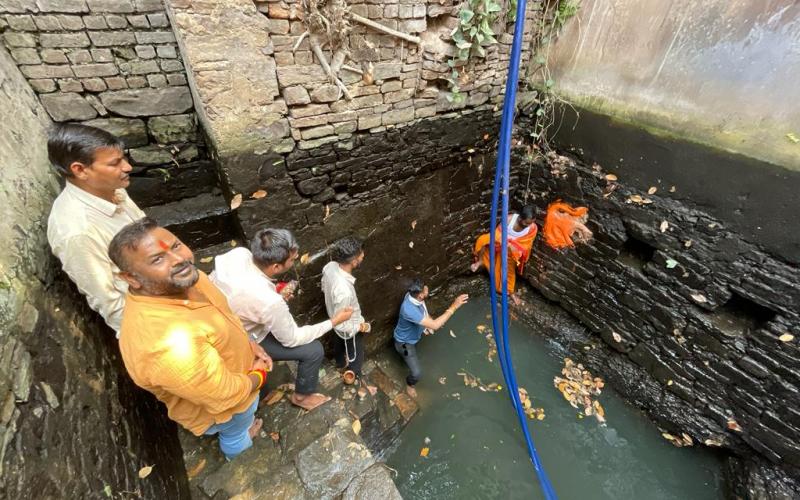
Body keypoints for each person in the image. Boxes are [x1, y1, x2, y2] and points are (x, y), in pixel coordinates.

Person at [109, 218, 272, 461]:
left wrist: (248, 343)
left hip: (240, 377)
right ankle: (239, 454)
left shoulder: (188, 280)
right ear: (131, 278)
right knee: (235, 434)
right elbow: (225, 395)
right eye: (157, 259)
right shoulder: (164, 344)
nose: (178, 259)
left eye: (175, 246)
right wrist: (259, 376)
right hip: (229, 409)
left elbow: (223, 317)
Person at [210, 228, 354, 412]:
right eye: (292, 260)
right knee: (313, 350)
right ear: (276, 267)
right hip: (241, 335)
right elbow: (292, 338)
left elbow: (242, 293)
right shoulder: (269, 303)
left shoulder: (239, 254)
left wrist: (274, 289)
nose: (295, 261)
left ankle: (261, 394)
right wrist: (334, 321)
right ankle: (301, 397)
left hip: (221, 318)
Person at [46, 123, 145, 335]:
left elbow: (146, 231)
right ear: (80, 170)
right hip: (150, 314)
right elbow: (113, 306)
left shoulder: (111, 189)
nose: (127, 167)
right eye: (115, 163)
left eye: (123, 158)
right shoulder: (77, 233)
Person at [321, 236, 377, 395]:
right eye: (360, 255)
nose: (363, 256)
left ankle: (340, 363)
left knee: (338, 341)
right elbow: (342, 324)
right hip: (348, 328)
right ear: (353, 261)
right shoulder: (344, 291)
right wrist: (361, 326)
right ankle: (355, 379)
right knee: (357, 357)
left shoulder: (330, 266)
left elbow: (324, 288)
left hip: (333, 317)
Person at [393, 279, 468, 398]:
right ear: (421, 295)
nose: (427, 289)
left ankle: (405, 359)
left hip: (413, 336)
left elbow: (423, 313)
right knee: (417, 373)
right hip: (404, 344)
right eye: (425, 289)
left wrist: (425, 326)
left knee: (411, 355)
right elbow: (436, 325)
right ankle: (409, 384)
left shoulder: (413, 297)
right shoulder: (409, 309)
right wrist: (454, 306)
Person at [471, 205, 538, 305]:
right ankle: (480, 261)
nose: (528, 225)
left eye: (530, 223)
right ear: (520, 218)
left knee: (508, 269)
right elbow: (497, 234)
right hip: (501, 242)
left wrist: (514, 247)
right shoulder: (508, 220)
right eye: (526, 223)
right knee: (482, 240)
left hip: (513, 250)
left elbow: (526, 243)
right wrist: (506, 243)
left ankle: (510, 292)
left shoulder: (532, 228)